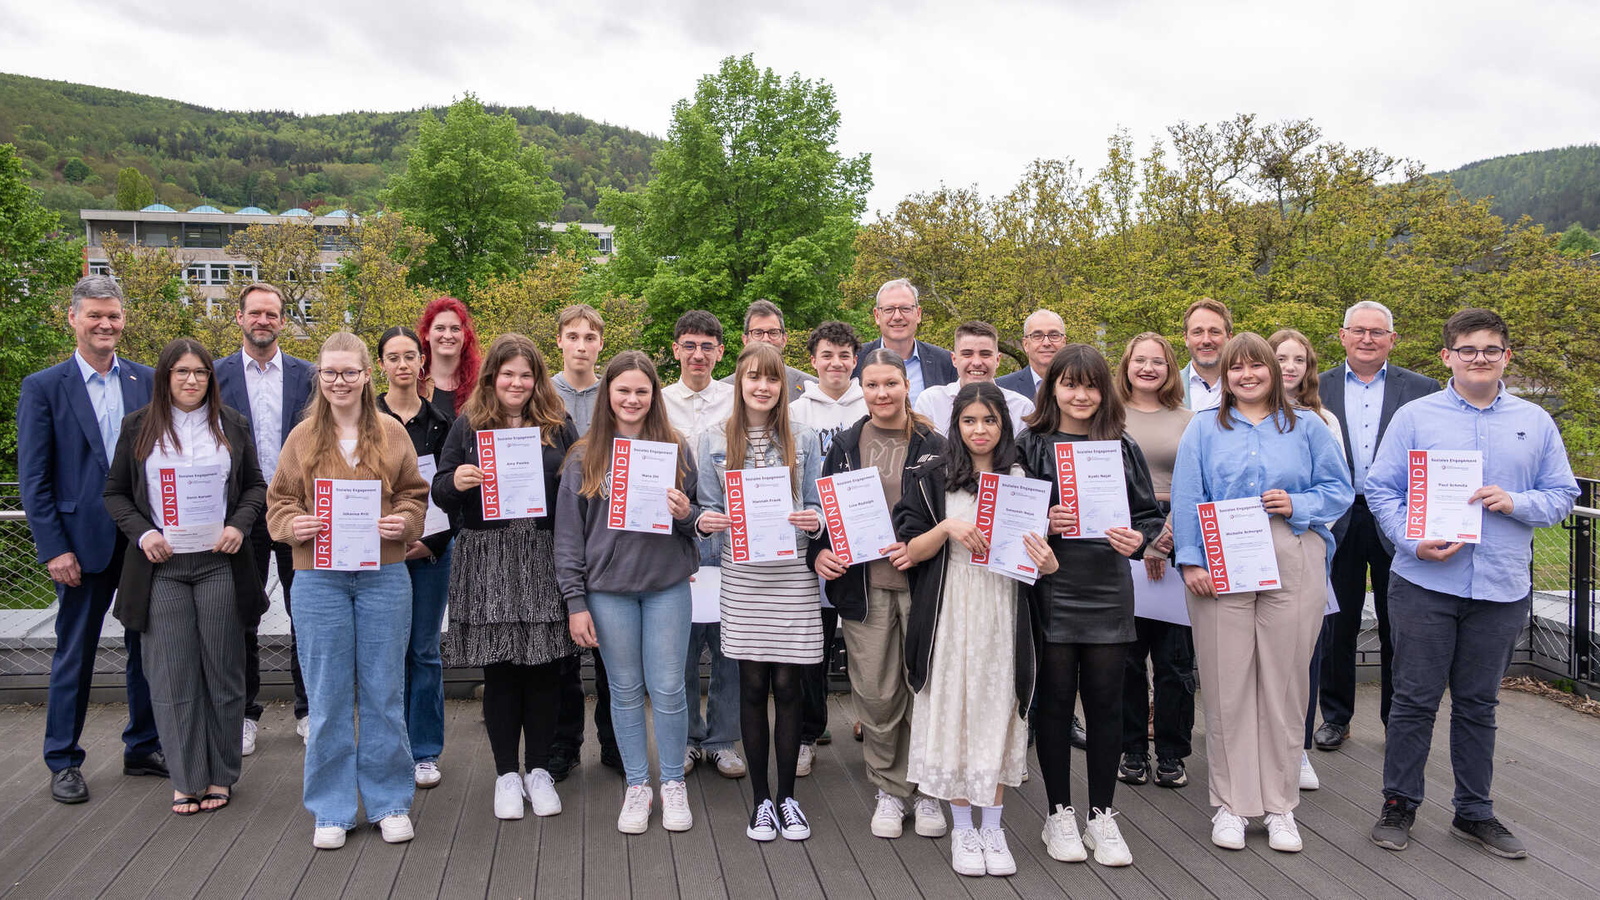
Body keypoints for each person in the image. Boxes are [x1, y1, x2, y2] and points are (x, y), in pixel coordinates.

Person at [1366, 308, 1578, 859]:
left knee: (1479, 704)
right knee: (1413, 700)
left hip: (1500, 588)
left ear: (1506, 356)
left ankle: (1474, 812)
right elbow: (1382, 491)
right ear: (1447, 357)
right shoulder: (1416, 416)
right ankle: (1399, 804)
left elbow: (1562, 496)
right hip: (1423, 582)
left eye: (1490, 350)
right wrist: (1412, 543)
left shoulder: (1535, 420)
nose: (1478, 359)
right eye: (1467, 350)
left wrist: (1517, 501)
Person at [1172, 333, 1353, 854]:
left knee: (1286, 683)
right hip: (1221, 558)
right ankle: (1232, 804)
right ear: (1224, 375)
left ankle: (1279, 807)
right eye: (1236, 368)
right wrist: (1190, 560)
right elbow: (1187, 496)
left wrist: (1297, 502)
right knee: (1228, 685)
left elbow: (1339, 490)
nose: (1247, 375)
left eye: (1257, 367)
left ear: (1274, 371)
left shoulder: (1308, 425)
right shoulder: (1204, 428)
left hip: (1292, 551)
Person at [265, 331, 429, 850]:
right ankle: (331, 808)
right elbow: (278, 504)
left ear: (366, 375)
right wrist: (295, 526)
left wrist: (403, 522)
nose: (340, 381)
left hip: (383, 576)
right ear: (320, 377)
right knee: (328, 697)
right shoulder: (300, 438)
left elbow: (414, 496)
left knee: (384, 692)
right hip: (318, 579)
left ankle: (388, 802)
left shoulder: (392, 433)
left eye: (349, 372)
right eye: (330, 372)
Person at [894, 382, 1054, 877]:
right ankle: (962, 826)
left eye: (989, 420)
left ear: (1003, 425)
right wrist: (945, 530)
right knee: (955, 710)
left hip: (1002, 608)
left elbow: (1040, 562)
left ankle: (994, 827)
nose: (979, 430)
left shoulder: (1022, 478)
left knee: (995, 710)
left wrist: (1047, 562)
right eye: (969, 421)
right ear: (955, 426)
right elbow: (906, 554)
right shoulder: (931, 477)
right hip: (948, 608)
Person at [104, 339, 268, 814]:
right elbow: (115, 494)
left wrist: (239, 524)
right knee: (173, 675)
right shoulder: (138, 427)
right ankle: (186, 777)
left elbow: (255, 485)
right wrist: (143, 533)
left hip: (218, 563)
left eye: (200, 372)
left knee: (223, 670)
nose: (192, 380)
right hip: (163, 569)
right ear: (165, 377)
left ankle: (220, 774)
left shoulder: (231, 424)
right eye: (182, 372)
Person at [18, 274, 164, 804]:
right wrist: (54, 548)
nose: (106, 325)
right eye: (95, 316)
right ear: (73, 319)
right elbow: (34, 479)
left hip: (141, 540)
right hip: (78, 545)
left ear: (124, 320)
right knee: (74, 652)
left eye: (114, 316)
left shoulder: (146, 382)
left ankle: (143, 746)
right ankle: (63, 758)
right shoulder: (44, 386)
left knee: (145, 648)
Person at [1021, 345, 1165, 868]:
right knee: (1056, 705)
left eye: (1091, 386)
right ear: (1052, 388)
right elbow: (1007, 520)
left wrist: (1139, 539)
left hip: (1107, 585)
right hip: (1052, 588)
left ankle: (1102, 816)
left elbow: (1149, 516)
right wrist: (1043, 520)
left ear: (1104, 392)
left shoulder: (1120, 446)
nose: (1080, 396)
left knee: (1107, 705)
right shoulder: (1030, 444)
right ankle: (1058, 813)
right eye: (1070, 384)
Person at [432, 334, 580, 820]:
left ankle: (538, 770)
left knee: (542, 670)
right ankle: (505, 775)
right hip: (488, 556)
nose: (516, 383)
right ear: (492, 377)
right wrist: (456, 482)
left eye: (526, 374)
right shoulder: (468, 425)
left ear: (537, 379)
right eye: (507, 373)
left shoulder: (558, 426)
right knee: (500, 671)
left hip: (541, 553)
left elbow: (583, 483)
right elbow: (438, 490)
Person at [555, 351, 701, 835]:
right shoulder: (584, 456)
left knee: (669, 688)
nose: (633, 399)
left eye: (642, 391)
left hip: (665, 587)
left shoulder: (675, 448)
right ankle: (638, 785)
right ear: (608, 396)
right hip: (608, 592)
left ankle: (672, 782)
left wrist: (685, 513)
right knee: (622, 690)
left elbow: (694, 524)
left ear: (653, 396)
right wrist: (576, 602)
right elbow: (569, 539)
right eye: (623, 390)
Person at [807, 347, 948, 839]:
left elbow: (951, 512)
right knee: (876, 693)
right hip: (864, 588)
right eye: (872, 385)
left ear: (905, 386)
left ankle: (928, 789)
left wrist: (922, 548)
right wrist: (818, 555)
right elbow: (827, 512)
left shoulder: (934, 443)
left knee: (924, 688)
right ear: (859, 388)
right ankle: (890, 788)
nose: (882, 393)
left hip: (923, 585)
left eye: (891, 383)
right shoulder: (846, 444)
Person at [695, 343, 825, 842]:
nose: (763, 387)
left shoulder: (806, 438)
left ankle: (788, 796)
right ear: (739, 382)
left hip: (792, 574)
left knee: (789, 688)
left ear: (783, 386)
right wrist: (707, 521)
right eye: (753, 377)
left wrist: (813, 520)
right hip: (744, 576)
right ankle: (760, 802)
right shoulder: (709, 440)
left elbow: (816, 506)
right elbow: (704, 510)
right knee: (750, 686)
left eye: (771, 378)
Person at [1315, 300, 1442, 752]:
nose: (1367, 338)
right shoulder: (1315, 386)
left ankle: (1396, 720)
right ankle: (1336, 717)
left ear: (1392, 339)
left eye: (1377, 331)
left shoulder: (1424, 388)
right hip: (1337, 516)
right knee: (1337, 623)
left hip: (1399, 517)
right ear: (1343, 335)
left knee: (1400, 625)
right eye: (1359, 330)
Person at [212, 281, 315, 754]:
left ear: (282, 320)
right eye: (255, 313)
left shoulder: (307, 375)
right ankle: (245, 714)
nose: (263, 321)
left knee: (306, 613)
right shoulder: (213, 376)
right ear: (239, 318)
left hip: (299, 511)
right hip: (241, 514)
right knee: (242, 615)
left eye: (272, 314)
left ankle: (308, 707)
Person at [661, 311, 745, 781]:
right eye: (689, 345)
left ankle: (722, 740)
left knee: (729, 645)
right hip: (673, 535)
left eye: (707, 346)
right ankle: (690, 738)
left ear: (719, 352)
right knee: (684, 646)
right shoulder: (657, 402)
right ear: (675, 350)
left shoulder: (735, 401)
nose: (698, 354)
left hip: (728, 531)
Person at [375, 326, 458, 790]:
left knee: (424, 651)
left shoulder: (442, 424)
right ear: (381, 365)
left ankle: (425, 751)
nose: (403, 365)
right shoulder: (366, 420)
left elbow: (448, 492)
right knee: (385, 653)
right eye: (393, 357)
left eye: (411, 356)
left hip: (431, 551)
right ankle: (390, 746)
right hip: (379, 555)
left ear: (422, 363)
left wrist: (433, 542)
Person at [1112, 333, 1196, 792]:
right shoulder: (1108, 417)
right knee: (1126, 656)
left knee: (1175, 659)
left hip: (1177, 533)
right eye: (1139, 360)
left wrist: (1165, 540)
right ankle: (1131, 749)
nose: (1148, 368)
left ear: (1170, 369)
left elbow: (1197, 485)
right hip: (1120, 537)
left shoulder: (1191, 420)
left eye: (1158, 361)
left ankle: (1171, 753)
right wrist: (1142, 544)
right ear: (1126, 365)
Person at [1269, 327, 1347, 793]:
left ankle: (1296, 749)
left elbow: (1334, 491)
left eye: (1299, 359)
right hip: (1250, 549)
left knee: (1303, 653)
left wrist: (1306, 532)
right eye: (1281, 358)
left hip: (1307, 547)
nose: (1290, 367)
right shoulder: (1232, 418)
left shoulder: (1322, 421)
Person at [789, 319, 867, 774]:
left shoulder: (874, 403)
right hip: (815, 539)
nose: (835, 363)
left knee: (866, 641)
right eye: (826, 355)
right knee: (812, 645)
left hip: (864, 540)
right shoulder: (798, 412)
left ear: (854, 360)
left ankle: (875, 726)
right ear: (813, 361)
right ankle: (807, 733)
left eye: (844, 355)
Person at [547, 304, 620, 782]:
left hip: (610, 533)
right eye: (572, 336)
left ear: (599, 343)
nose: (580, 345)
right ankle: (564, 744)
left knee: (612, 651)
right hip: (551, 529)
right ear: (559, 341)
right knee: (563, 653)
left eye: (589, 337)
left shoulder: (611, 395)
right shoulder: (541, 392)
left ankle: (616, 743)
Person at [913, 321, 1034, 436]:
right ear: (954, 359)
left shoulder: (1021, 408)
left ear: (998, 360)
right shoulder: (931, 402)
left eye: (985, 354)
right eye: (967, 354)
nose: (976, 362)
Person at [853, 278, 957, 404]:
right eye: (889, 309)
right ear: (877, 316)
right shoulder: (855, 361)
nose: (897, 317)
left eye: (905, 308)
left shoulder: (946, 362)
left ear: (918, 314)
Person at [719, 300, 817, 399]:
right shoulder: (723, 391)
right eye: (758, 333)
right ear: (745, 340)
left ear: (784, 339)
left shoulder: (811, 388)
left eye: (773, 332)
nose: (766, 339)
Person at [417, 296, 482, 419]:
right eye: (440, 328)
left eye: (455, 329)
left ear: (465, 335)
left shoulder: (482, 384)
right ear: (426, 333)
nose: (448, 335)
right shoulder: (413, 384)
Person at [995, 309, 1067, 401]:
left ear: (1064, 342)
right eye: (1037, 336)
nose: (1046, 343)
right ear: (1025, 345)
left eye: (1054, 335)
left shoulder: (1082, 386)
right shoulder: (1001, 388)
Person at [1178, 298, 1232, 411]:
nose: (1206, 340)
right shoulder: (1168, 387)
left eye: (1214, 332)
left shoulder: (1245, 384)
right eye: (1197, 332)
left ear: (1229, 337)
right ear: (1186, 338)